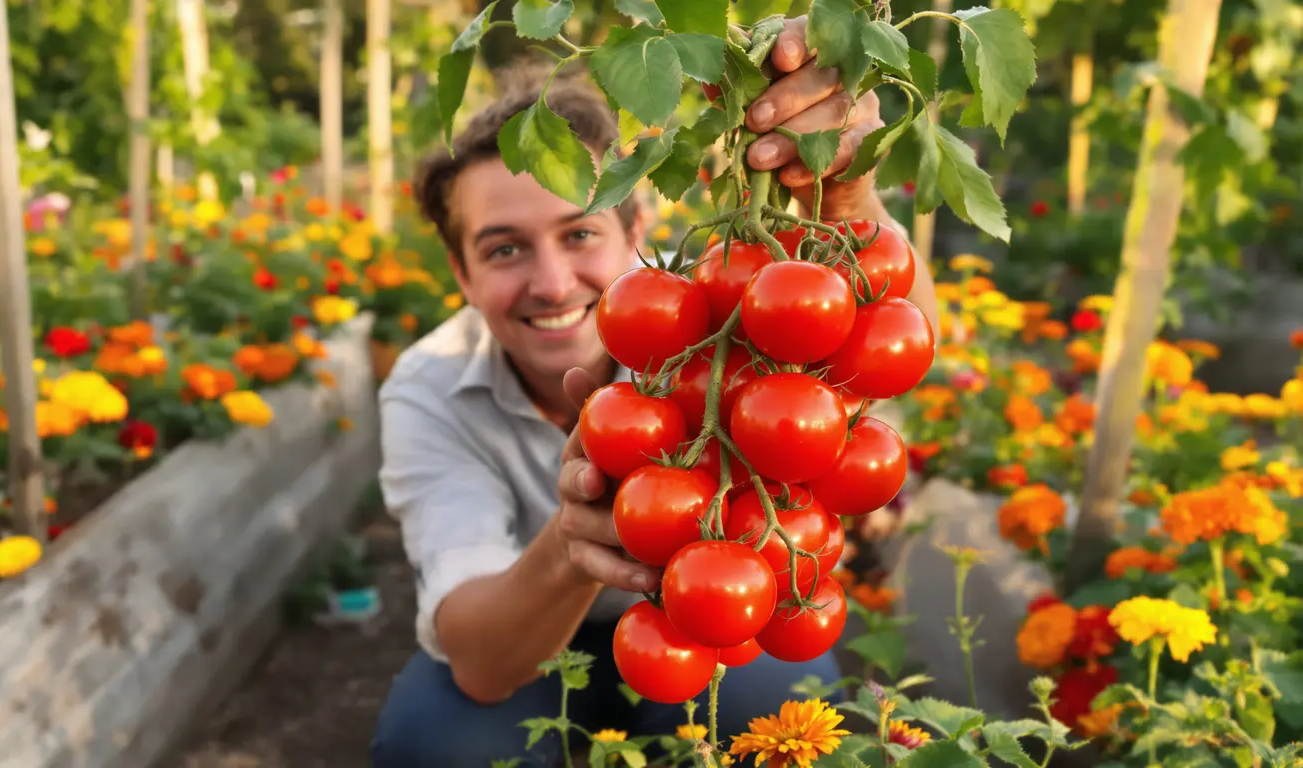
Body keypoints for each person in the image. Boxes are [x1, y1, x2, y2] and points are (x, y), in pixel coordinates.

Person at [369, 17, 939, 766]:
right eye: (504, 248)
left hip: (727, 616)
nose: (550, 282)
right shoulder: (431, 386)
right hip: (533, 643)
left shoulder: (727, 321)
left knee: (773, 720)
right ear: (461, 274)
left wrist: (842, 193)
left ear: (636, 225)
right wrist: (575, 545)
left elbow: (899, 342)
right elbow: (480, 659)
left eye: (579, 234)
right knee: (435, 744)